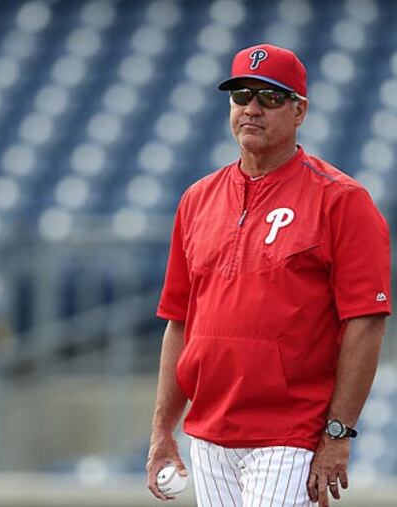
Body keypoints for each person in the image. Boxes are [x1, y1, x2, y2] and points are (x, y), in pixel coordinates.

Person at [145, 43, 390, 507]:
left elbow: (367, 320)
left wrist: (337, 433)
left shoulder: (341, 200)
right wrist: (162, 430)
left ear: (300, 111)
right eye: (241, 96)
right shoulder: (197, 199)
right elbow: (179, 321)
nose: (252, 108)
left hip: (289, 434)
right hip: (210, 434)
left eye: (270, 97)